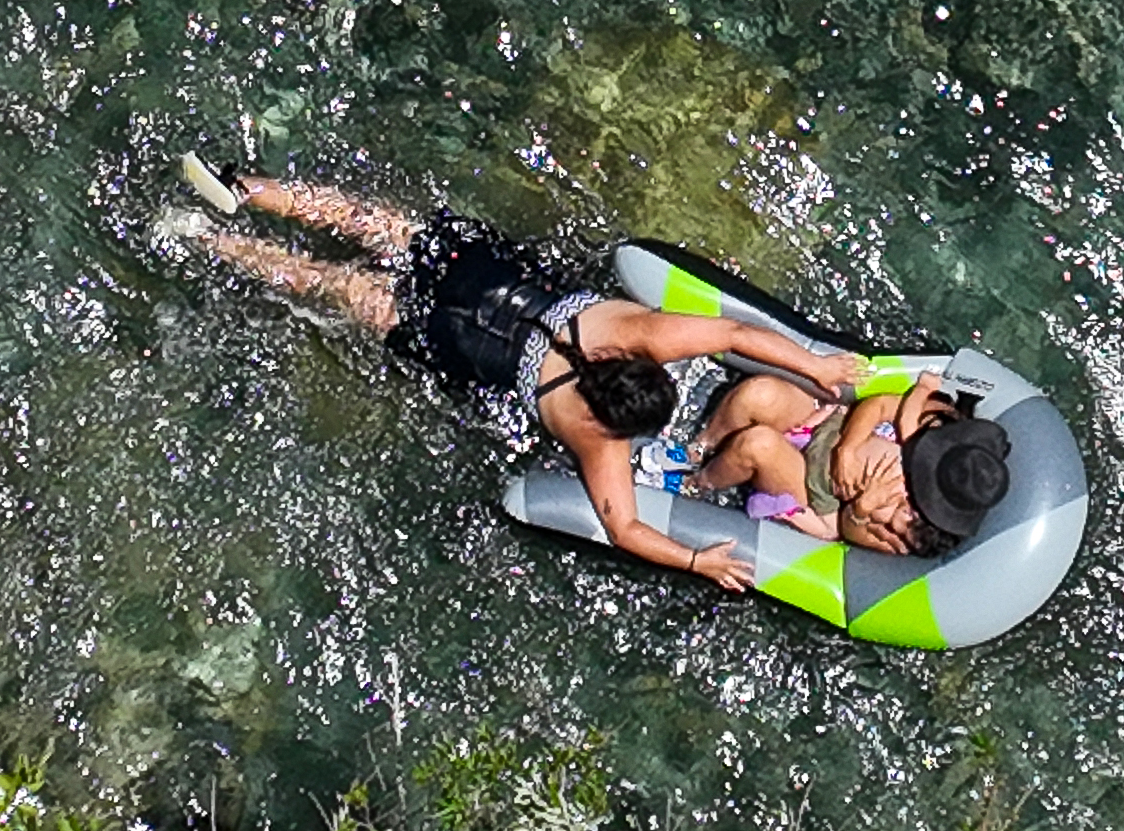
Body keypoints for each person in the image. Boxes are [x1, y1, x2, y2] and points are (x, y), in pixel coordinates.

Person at [183, 174, 867, 594]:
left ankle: (245, 187)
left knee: (377, 224)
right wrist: (696, 562)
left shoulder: (636, 332)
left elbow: (736, 336)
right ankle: (207, 239)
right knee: (334, 285)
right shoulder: (593, 432)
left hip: (486, 278)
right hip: (463, 346)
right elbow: (623, 525)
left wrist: (819, 365)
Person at [693, 364, 1015, 555]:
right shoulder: (938, 423)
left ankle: (698, 483)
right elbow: (876, 406)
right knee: (759, 393)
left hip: (818, 489)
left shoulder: (913, 531)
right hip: (829, 435)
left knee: (758, 444)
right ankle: (700, 445)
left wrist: (862, 506)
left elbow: (850, 531)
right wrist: (848, 449)